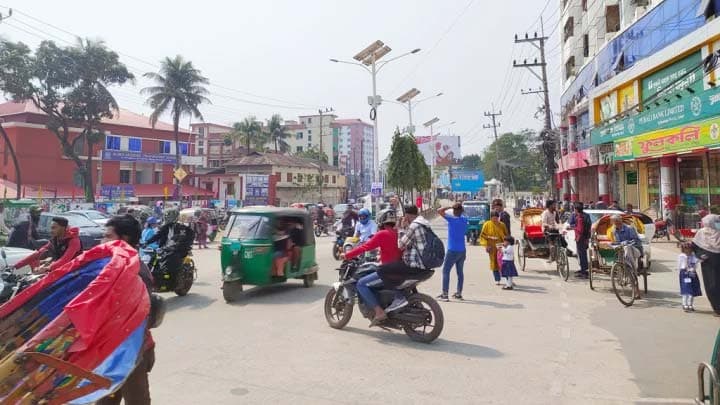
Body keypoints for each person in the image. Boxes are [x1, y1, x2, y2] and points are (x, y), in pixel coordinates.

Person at [98, 214, 155, 405]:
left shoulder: (136, 271)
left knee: (136, 401)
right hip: (107, 351)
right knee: (104, 399)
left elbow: (139, 316)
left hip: (131, 351)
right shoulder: (107, 266)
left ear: (125, 239)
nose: (102, 241)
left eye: (107, 236)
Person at [373, 205, 432, 326]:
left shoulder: (414, 226)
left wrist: (400, 228)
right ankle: (410, 300)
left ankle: (398, 297)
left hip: (414, 264)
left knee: (381, 270)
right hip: (425, 263)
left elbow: (400, 245)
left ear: (408, 215)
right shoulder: (426, 224)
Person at [346, 209, 405, 321]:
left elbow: (365, 247)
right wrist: (380, 255)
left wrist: (348, 255)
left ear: (381, 220)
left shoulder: (382, 233)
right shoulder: (398, 233)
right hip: (399, 269)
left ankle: (379, 311)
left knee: (361, 284)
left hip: (387, 271)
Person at [143, 208, 195, 288]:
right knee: (152, 262)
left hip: (177, 250)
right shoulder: (166, 227)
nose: (167, 218)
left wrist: (176, 245)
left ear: (175, 217)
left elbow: (184, 239)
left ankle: (173, 283)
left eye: (169, 216)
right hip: (164, 249)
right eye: (166, 216)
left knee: (170, 263)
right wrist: (147, 242)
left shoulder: (182, 227)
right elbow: (158, 235)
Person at [13, 216, 82, 273]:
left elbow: (65, 260)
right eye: (51, 228)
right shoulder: (55, 240)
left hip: (74, 272)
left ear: (63, 228)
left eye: (54, 228)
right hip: (60, 269)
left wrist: (48, 268)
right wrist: (16, 266)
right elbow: (38, 253)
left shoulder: (74, 241)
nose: (51, 231)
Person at [436, 202, 468, 301]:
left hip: (452, 250)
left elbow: (439, 211)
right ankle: (459, 293)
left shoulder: (451, 220)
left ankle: (445, 294)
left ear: (454, 211)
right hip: (462, 250)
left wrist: (450, 206)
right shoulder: (464, 220)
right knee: (460, 272)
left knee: (446, 271)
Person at [608, 214, 643, 296]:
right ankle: (622, 270)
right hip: (622, 251)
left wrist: (626, 243)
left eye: (614, 222)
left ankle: (631, 270)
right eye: (613, 222)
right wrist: (612, 244)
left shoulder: (629, 228)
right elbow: (618, 242)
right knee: (619, 248)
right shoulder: (614, 230)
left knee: (627, 248)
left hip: (633, 250)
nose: (614, 224)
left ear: (618, 221)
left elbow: (636, 241)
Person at [692, 214, 720, 316]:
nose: (718, 224)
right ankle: (717, 308)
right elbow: (695, 247)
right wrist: (700, 255)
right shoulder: (701, 233)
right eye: (716, 222)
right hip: (708, 264)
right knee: (712, 286)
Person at [480, 211, 508, 285]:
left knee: (503, 262)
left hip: (501, 246)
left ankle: (507, 279)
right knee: (494, 263)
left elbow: (506, 235)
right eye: (493, 218)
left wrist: (506, 243)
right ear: (491, 218)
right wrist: (486, 246)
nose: (495, 220)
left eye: (496, 218)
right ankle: (497, 279)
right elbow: (483, 236)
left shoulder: (502, 225)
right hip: (491, 247)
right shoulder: (487, 224)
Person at [678, 242, 702, 312]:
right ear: (683, 249)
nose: (687, 250)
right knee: (686, 289)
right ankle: (684, 304)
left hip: (692, 273)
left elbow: (697, 262)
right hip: (684, 273)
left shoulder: (693, 256)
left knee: (692, 290)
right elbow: (680, 265)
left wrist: (702, 259)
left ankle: (690, 304)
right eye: (685, 248)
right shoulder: (682, 256)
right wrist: (685, 268)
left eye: (689, 248)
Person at [571, 202, 592, 279]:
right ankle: (583, 270)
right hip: (585, 237)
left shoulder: (579, 217)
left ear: (576, 209)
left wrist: (573, 228)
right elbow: (589, 227)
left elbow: (579, 229)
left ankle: (584, 272)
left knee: (582, 254)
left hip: (580, 237)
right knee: (582, 254)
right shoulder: (586, 216)